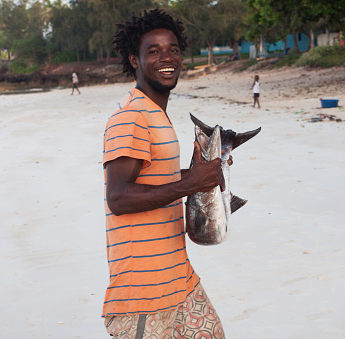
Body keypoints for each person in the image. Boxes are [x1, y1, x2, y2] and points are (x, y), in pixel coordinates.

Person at [102, 9, 226, 338]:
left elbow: (158, 178)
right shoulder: (131, 117)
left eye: (172, 49)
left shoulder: (156, 113)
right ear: (134, 60)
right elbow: (118, 197)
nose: (166, 58)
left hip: (179, 280)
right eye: (153, 51)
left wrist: (205, 175)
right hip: (141, 295)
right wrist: (190, 183)